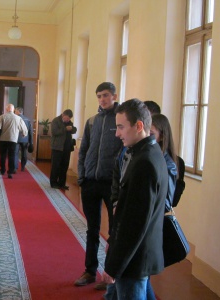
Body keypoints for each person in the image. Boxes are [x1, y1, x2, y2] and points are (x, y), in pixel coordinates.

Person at [102, 99, 168, 299]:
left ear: (139, 126)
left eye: (121, 127)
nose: (117, 133)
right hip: (135, 254)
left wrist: (113, 266)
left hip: (134, 258)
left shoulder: (144, 162)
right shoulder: (147, 152)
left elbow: (134, 224)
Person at [75, 82, 122, 286]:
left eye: (105, 95)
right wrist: (82, 175)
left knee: (114, 231)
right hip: (90, 182)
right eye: (99, 96)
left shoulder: (121, 120)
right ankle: (89, 271)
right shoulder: (92, 121)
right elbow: (84, 149)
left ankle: (109, 274)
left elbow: (125, 152)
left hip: (111, 184)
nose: (102, 99)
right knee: (92, 229)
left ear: (114, 96)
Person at [0, 104, 28, 179]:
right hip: (13, 139)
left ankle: (2, 170)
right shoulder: (18, 118)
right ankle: (10, 172)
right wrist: (24, 134)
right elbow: (24, 128)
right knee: (11, 155)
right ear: (13, 109)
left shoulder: (2, 117)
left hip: (3, 139)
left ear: (6, 109)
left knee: (3, 155)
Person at [50, 109, 77, 190]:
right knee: (56, 166)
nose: (68, 120)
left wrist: (71, 128)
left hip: (67, 148)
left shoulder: (69, 122)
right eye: (67, 118)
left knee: (64, 166)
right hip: (57, 147)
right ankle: (54, 183)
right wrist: (65, 129)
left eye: (69, 119)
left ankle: (62, 183)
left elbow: (74, 130)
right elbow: (54, 132)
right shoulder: (56, 120)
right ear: (63, 115)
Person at [14, 107, 33, 172]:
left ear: (18, 111)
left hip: (16, 138)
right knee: (24, 152)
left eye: (15, 111)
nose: (14, 112)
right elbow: (30, 131)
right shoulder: (27, 119)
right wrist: (31, 142)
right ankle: (23, 166)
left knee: (15, 153)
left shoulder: (15, 119)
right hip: (25, 139)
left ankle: (15, 167)